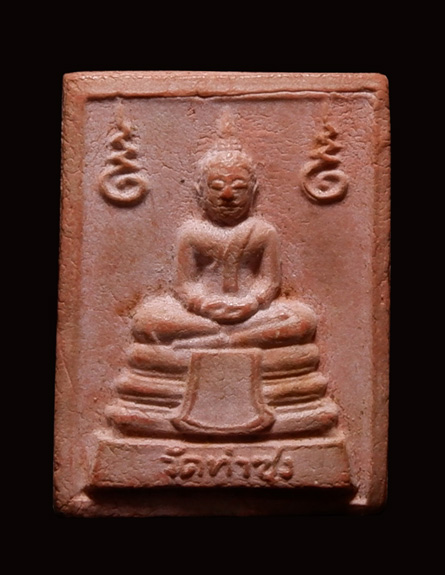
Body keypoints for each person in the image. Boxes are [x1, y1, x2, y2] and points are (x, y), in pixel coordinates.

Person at [132, 145, 317, 350]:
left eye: (239, 187)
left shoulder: (263, 232)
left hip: (252, 314)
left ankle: (223, 341)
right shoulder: (191, 233)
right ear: (200, 191)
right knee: (145, 321)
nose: (227, 195)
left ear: (253, 191)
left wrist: (252, 303)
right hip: (202, 316)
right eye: (217, 186)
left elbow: (269, 281)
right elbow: (184, 284)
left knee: (303, 319)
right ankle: (242, 339)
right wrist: (203, 305)